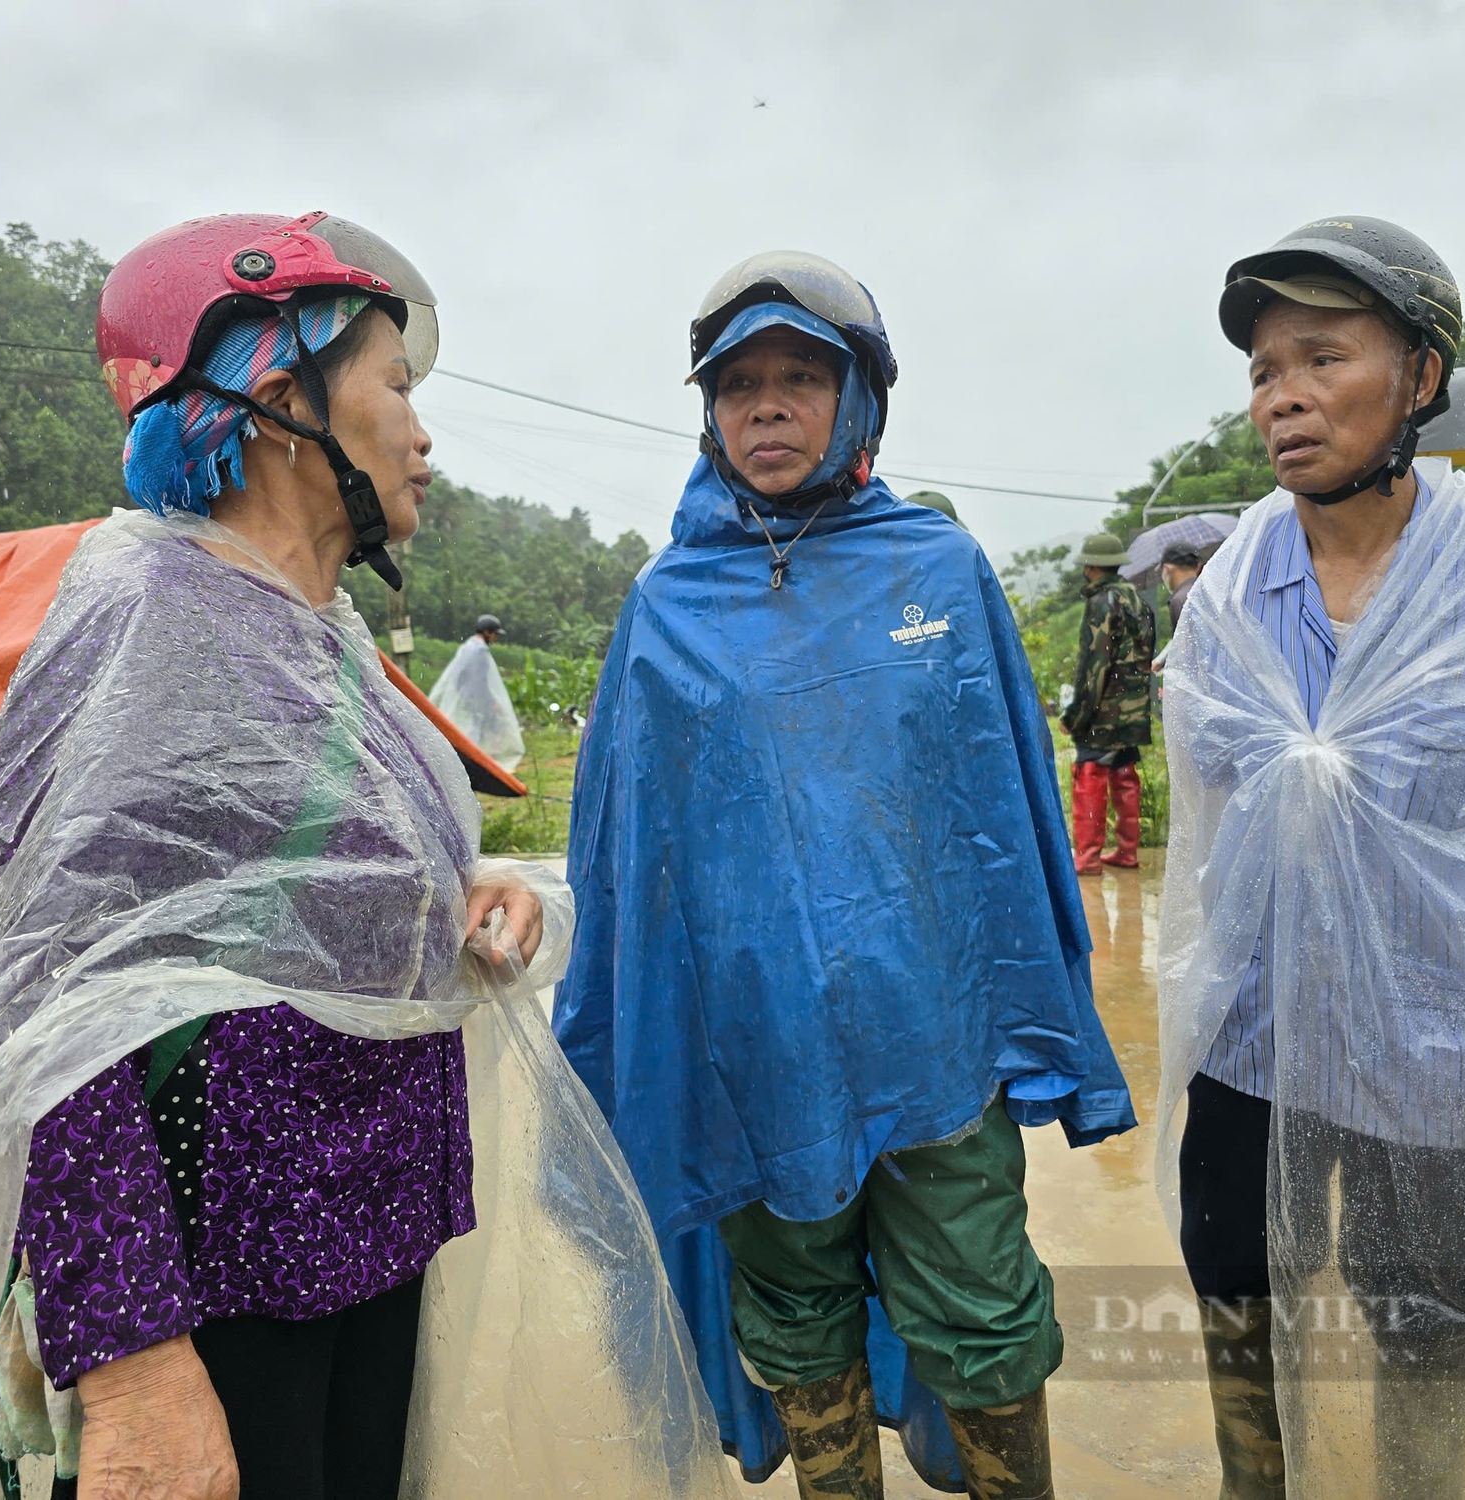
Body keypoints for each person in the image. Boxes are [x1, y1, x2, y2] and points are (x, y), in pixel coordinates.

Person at [0, 213, 650, 1500]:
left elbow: (272, 903)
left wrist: (460, 897)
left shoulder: (320, 635)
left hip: (366, 1233)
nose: (422, 435)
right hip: (223, 1277)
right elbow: (44, 1001)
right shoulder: (150, 618)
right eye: (397, 387)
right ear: (278, 398)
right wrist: (131, 1354)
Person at [555, 251, 1135, 1500]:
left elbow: (1005, 819)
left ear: (860, 398)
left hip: (934, 1036)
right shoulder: (667, 605)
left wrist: (1033, 1014)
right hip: (754, 1052)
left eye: (799, 378)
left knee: (979, 1297)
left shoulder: (936, 572)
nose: (765, 407)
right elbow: (624, 851)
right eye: (737, 385)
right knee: (792, 1309)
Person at [1158, 217, 1465, 1499]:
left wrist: (1326, 770)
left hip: (1443, 1035)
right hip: (1257, 1023)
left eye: (1320, 358)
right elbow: (1215, 796)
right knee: (1235, 1281)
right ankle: (1259, 1482)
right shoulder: (1233, 586)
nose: (1282, 394)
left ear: (1419, 376)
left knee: (1436, 1324)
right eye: (1260, 372)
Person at [1061, 533, 1155, 875]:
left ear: (1090, 566)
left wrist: (1077, 715)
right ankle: (1127, 851)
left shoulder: (1102, 602)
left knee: (1090, 774)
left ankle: (1086, 857)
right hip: (1134, 709)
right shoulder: (1137, 599)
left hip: (1104, 711)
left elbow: (1095, 665)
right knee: (1125, 773)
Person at [429, 611, 527, 771]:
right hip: (477, 698)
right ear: (487, 632)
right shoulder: (479, 651)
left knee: (471, 730)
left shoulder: (468, 646)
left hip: (468, 697)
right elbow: (479, 681)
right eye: (494, 634)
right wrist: (490, 701)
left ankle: (470, 765)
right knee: (479, 732)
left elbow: (461, 678)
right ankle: (474, 767)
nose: (495, 638)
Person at [1160, 541, 1206, 632]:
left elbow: (1185, 643)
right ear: (1198, 566)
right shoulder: (1207, 590)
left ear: (1166, 569)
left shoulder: (1178, 600)